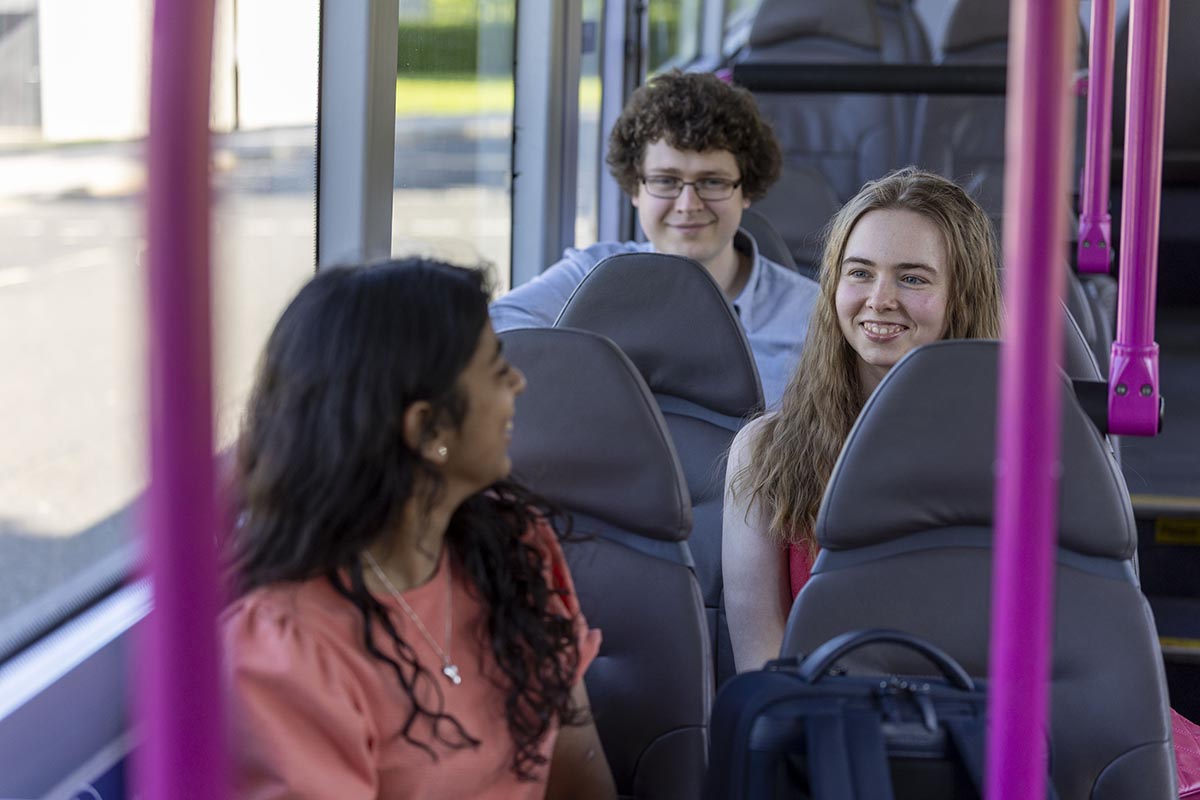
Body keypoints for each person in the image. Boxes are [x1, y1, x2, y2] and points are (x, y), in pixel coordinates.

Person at [222, 258, 617, 799]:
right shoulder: (287, 651)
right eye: (498, 370)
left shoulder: (513, 544)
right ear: (429, 428)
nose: (519, 384)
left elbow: (577, 756)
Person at [722, 167, 1002, 673]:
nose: (879, 299)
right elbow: (761, 667)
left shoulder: (1015, 451)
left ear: (962, 294)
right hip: (823, 732)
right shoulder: (763, 450)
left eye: (912, 278)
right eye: (860, 272)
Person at [490, 70, 819, 408]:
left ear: (746, 190)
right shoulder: (590, 276)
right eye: (665, 181)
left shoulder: (811, 317)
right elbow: (493, 335)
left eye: (713, 182)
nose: (688, 205)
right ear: (635, 188)